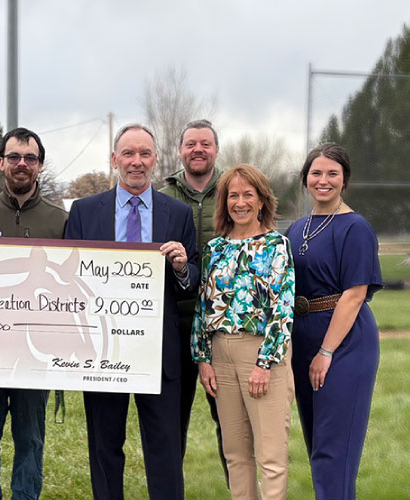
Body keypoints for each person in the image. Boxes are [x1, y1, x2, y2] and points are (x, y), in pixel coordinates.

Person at [65, 124, 200, 499]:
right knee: (105, 449)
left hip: (159, 355)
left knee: (165, 450)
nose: (136, 162)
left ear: (156, 160)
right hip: (103, 351)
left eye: (144, 154)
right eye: (128, 153)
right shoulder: (84, 212)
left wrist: (181, 267)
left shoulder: (178, 214)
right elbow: (67, 280)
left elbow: (192, 280)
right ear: (114, 160)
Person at [285, 143, 382, 500]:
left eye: (332, 174)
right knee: (317, 446)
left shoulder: (355, 227)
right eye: (316, 173)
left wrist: (326, 351)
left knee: (333, 451)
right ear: (305, 178)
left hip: (343, 343)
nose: (323, 180)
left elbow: (355, 295)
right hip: (302, 338)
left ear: (344, 181)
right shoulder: (296, 228)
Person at [0, 127, 67, 500]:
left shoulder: (60, 220)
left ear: (40, 166)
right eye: (14, 157)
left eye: (29, 158)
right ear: (1, 163)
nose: (21, 164)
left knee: (30, 438)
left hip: (36, 354)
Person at [192, 165, 294, 500]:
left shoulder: (276, 246)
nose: (240, 202)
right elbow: (203, 306)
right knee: (235, 454)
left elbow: (283, 307)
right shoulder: (215, 249)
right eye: (233, 195)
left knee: (270, 457)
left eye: (248, 194)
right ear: (224, 203)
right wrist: (203, 359)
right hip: (221, 355)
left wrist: (265, 364)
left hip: (262, 354)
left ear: (262, 200)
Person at [158, 118, 229, 485]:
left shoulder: (234, 191)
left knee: (230, 420)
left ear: (216, 150)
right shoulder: (162, 196)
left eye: (205, 143)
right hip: (173, 322)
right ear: (180, 150)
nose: (198, 150)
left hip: (222, 324)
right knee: (172, 421)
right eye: (191, 144)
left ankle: (241, 489)